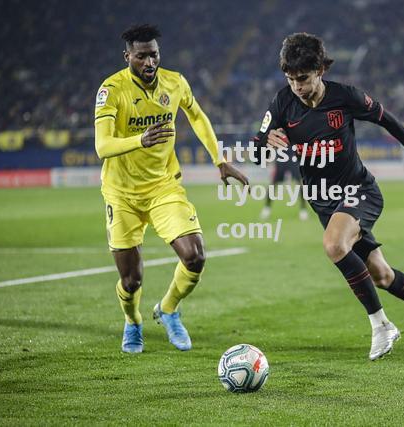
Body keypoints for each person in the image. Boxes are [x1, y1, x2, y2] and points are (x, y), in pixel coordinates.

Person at [252, 33, 404, 361]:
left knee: (334, 245)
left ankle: (381, 325)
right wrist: (265, 143)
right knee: (382, 275)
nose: (296, 87)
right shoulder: (281, 103)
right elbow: (257, 148)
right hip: (323, 201)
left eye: (302, 78)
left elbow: (392, 123)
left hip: (359, 191)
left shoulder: (346, 97)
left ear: (320, 70)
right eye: (290, 79)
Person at [94, 24, 248, 353]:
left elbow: (197, 115)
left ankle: (168, 309)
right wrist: (140, 139)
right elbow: (102, 145)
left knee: (195, 256)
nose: (149, 62)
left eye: (154, 55)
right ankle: (133, 320)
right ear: (128, 57)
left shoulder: (175, 82)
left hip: (164, 187)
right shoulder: (111, 89)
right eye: (141, 56)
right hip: (121, 195)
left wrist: (219, 159)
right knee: (131, 280)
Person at [260, 144, 309, 221]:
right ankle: (267, 208)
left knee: (300, 183)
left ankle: (303, 209)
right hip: (280, 157)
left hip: (293, 157)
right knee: (273, 184)